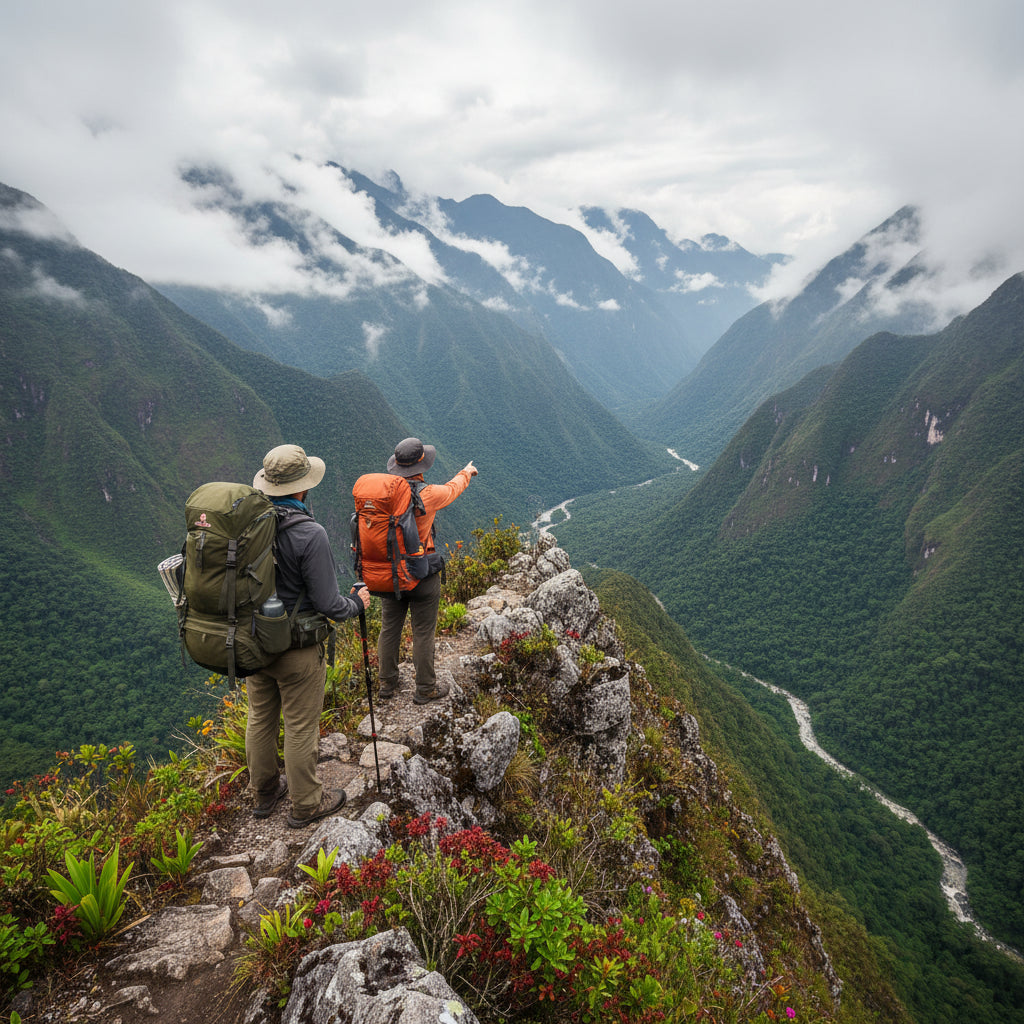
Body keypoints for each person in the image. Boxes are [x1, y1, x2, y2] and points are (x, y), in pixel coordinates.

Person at [246, 444, 370, 828]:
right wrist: (357, 603)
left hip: (253, 642)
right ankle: (306, 804)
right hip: (297, 649)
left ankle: (266, 794)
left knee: (260, 718)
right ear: (303, 488)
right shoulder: (308, 533)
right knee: (300, 726)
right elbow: (329, 604)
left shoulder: (248, 526)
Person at [375, 437, 476, 704]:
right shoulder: (427, 494)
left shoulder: (383, 495)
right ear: (422, 463)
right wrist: (467, 472)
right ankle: (425, 688)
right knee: (422, 631)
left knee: (389, 628)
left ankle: (387, 683)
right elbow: (453, 488)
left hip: (390, 574)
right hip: (421, 573)